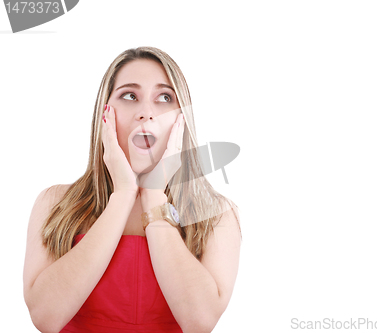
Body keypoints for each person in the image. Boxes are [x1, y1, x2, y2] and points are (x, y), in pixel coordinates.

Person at [23, 46, 242, 333]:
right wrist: (122, 196)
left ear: (181, 119)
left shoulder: (217, 215)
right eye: (130, 95)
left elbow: (199, 321)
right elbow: (45, 317)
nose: (146, 113)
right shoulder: (54, 202)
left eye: (165, 98)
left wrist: (154, 196)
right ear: (105, 113)